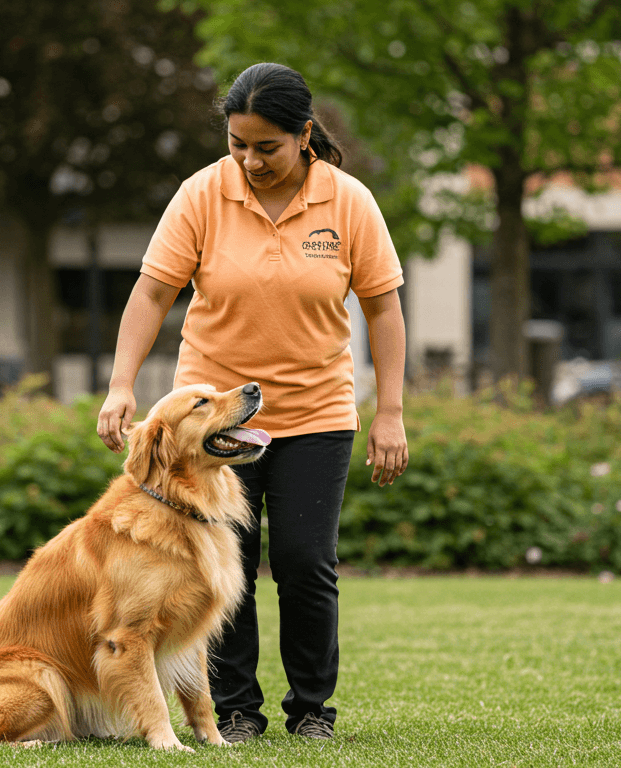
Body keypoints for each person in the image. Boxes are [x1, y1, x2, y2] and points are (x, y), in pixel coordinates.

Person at [95, 62, 409, 743]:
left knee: (304, 562)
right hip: (214, 422)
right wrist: (123, 384)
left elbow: (383, 309)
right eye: (239, 143)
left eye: (266, 146)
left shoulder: (348, 202)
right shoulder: (203, 194)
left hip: (316, 411)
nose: (249, 159)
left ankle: (312, 711)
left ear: (303, 136)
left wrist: (390, 410)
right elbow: (152, 293)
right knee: (220, 563)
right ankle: (235, 709)